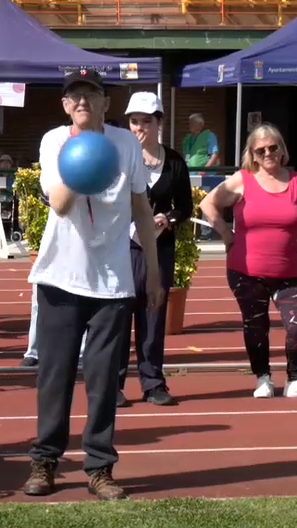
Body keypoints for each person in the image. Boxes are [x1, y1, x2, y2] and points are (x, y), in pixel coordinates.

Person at [21, 69, 161, 500]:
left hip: (113, 282)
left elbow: (140, 205)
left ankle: (100, 468)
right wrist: (82, 157)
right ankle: (45, 461)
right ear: (65, 105)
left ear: (106, 103)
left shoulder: (125, 144)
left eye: (91, 94)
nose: (82, 102)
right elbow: (60, 205)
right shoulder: (53, 141)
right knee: (55, 377)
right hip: (61, 278)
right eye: (74, 96)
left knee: (103, 384)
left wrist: (153, 270)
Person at [199, 124, 297, 400]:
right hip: (246, 270)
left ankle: (295, 378)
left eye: (273, 147)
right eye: (260, 150)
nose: (268, 153)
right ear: (252, 154)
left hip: (287, 272)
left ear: (282, 148)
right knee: (256, 325)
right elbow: (207, 204)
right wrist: (226, 234)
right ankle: (263, 378)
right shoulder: (242, 180)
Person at [118, 92, 193, 407]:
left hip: (159, 247)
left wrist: (169, 217)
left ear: (159, 122)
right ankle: (113, 384)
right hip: (122, 247)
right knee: (119, 315)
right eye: (134, 121)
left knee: (154, 312)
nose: (139, 128)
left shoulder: (174, 161)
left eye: (146, 121)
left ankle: (153, 383)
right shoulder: (119, 159)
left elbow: (186, 206)